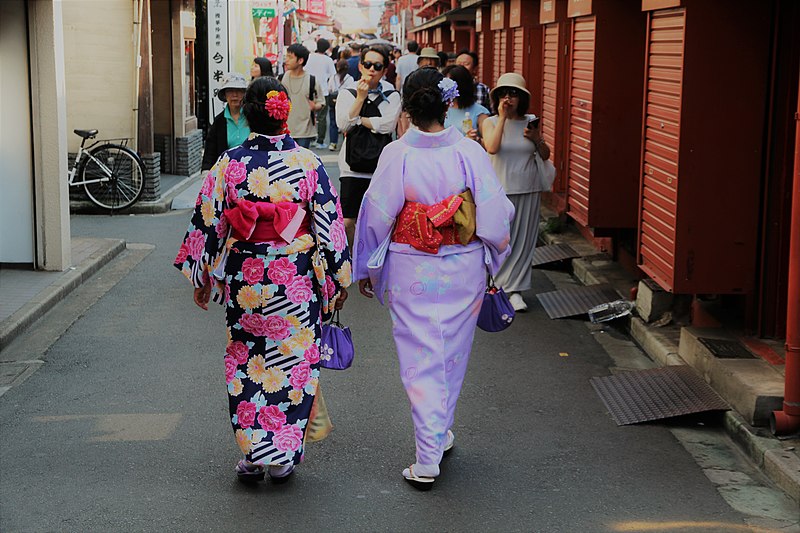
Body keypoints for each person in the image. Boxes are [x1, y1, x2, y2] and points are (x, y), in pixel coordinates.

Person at [174, 76, 352, 485]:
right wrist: (339, 279)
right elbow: (330, 226)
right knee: (292, 361)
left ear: (251, 113)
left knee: (248, 359)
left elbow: (208, 221)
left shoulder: (230, 162)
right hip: (296, 280)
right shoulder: (308, 163)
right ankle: (282, 455)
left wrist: (202, 275)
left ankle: (255, 453)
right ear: (283, 112)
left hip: (247, 278)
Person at [354, 67, 514, 490]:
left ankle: (428, 454)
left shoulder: (398, 155)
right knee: (451, 354)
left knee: (419, 356)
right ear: (447, 104)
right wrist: (495, 253)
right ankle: (437, 436)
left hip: (411, 265)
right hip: (463, 264)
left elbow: (377, 216)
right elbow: (496, 215)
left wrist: (368, 267)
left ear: (406, 107)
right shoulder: (470, 152)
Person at [480, 73, 550, 312]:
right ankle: (496, 286)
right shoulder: (489, 122)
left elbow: (545, 154)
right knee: (500, 240)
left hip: (528, 188)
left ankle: (516, 290)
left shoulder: (531, 121)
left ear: (522, 98)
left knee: (523, 242)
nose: (508, 98)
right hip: (498, 191)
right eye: (503, 94)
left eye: (513, 94)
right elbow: (492, 147)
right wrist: (502, 118)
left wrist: (538, 139)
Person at [336, 45, 402, 246]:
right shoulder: (348, 92)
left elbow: (387, 126)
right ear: (361, 67)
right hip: (351, 168)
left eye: (377, 65)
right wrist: (360, 98)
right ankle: (354, 260)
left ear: (384, 71)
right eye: (367, 64)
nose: (371, 69)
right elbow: (343, 124)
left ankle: (374, 260)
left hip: (380, 168)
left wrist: (358, 119)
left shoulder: (392, 95)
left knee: (380, 220)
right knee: (349, 221)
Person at [201, 72, 250, 173]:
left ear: (244, 94)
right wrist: (206, 171)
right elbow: (210, 150)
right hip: (227, 173)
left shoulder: (252, 116)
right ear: (224, 95)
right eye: (230, 91)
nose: (235, 95)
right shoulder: (219, 121)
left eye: (239, 91)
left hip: (252, 171)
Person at [282, 43, 325, 149]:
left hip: (305, 131)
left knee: (301, 163)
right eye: (286, 56)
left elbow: (321, 102)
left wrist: (315, 107)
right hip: (284, 130)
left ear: (300, 61)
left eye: (290, 57)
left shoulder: (311, 80)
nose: (286, 60)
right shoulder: (282, 78)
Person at [441, 65, 490, 143]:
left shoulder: (480, 112)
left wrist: (477, 140)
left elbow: (489, 144)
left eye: (449, 84)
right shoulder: (440, 108)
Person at [304, 38, 337, 149]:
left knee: (309, 114)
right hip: (323, 90)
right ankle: (320, 140)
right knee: (322, 117)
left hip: (309, 88)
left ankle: (310, 137)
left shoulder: (309, 57)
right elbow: (333, 75)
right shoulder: (328, 60)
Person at [326, 59, 354, 152]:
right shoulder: (349, 79)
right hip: (345, 103)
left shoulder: (333, 77)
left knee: (333, 122)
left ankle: (333, 143)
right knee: (346, 123)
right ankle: (345, 142)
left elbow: (329, 89)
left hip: (333, 101)